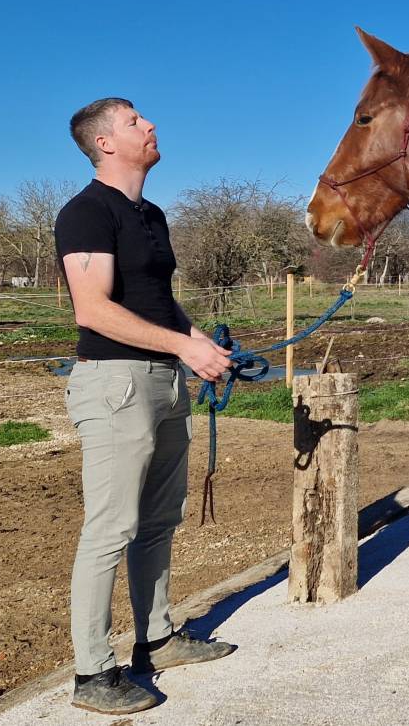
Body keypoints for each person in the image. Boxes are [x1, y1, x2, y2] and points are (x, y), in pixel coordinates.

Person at [55, 97, 235, 715]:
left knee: (160, 519)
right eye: (134, 121)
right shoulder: (86, 212)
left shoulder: (151, 214)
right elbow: (93, 310)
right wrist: (183, 346)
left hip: (164, 381)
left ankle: (155, 639)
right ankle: (91, 673)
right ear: (105, 142)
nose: (150, 124)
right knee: (110, 529)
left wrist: (199, 342)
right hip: (116, 384)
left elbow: (157, 298)